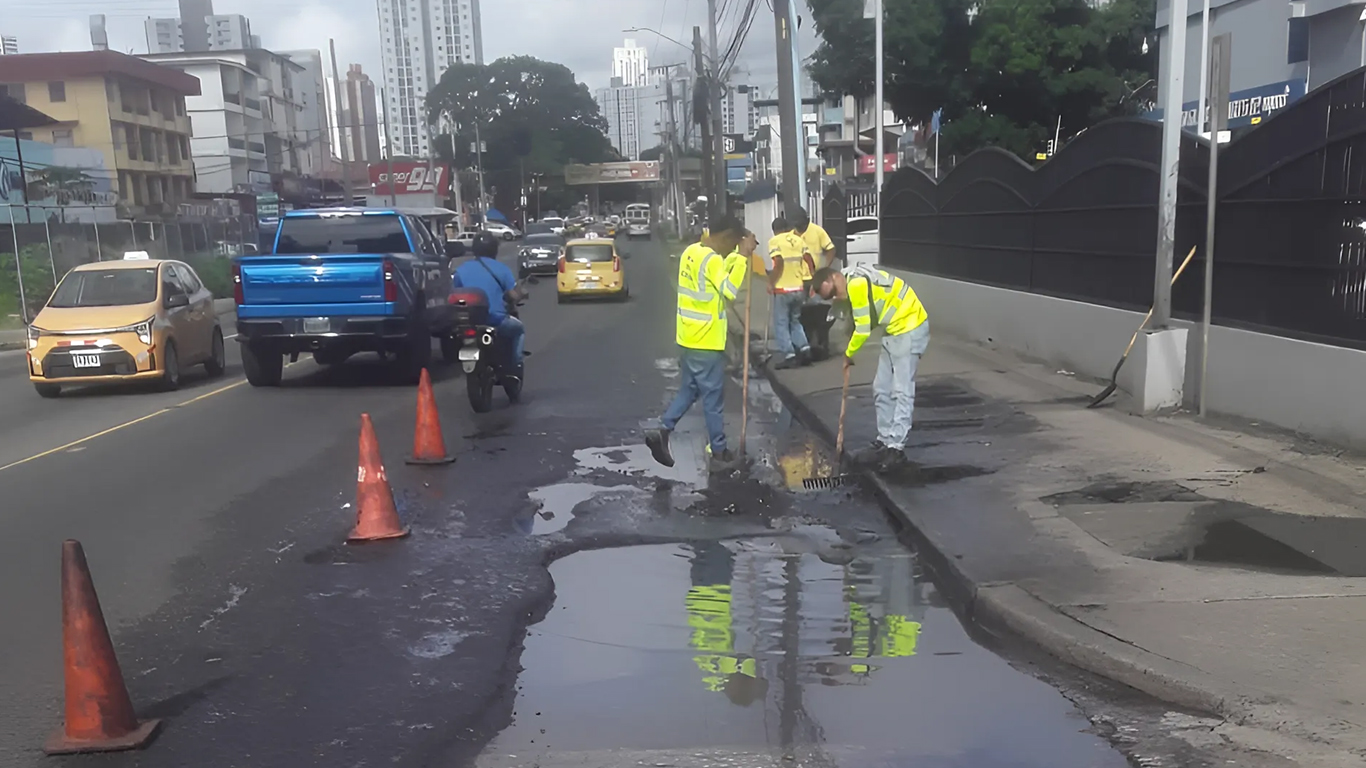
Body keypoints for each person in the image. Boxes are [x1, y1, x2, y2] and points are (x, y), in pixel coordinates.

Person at [645, 215, 751, 473]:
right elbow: (729, 290)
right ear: (725, 237)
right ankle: (720, 452)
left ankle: (663, 430)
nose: (731, 250)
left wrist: (735, 254)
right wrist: (742, 258)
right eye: (732, 244)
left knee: (690, 390)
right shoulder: (713, 259)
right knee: (713, 398)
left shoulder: (691, 251)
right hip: (707, 340)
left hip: (687, 337)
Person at [810, 264, 930, 469]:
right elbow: (855, 318)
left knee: (901, 391)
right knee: (881, 388)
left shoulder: (856, 284)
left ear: (833, 278)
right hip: (893, 330)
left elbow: (863, 328)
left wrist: (849, 353)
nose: (835, 298)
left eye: (833, 293)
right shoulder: (846, 282)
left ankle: (896, 448)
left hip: (910, 326)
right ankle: (884, 441)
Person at [451, 231, 526, 375]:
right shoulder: (502, 269)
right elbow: (514, 295)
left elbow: (454, 294)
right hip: (496, 320)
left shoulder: (461, 270)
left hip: (469, 322)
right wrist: (522, 295)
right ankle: (515, 366)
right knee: (519, 330)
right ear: (494, 249)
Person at [766, 216, 816, 369]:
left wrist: (771, 282)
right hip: (798, 288)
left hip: (783, 289)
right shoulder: (798, 240)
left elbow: (779, 263)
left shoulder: (774, 242)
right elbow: (809, 260)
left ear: (775, 230)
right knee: (795, 321)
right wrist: (813, 280)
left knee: (781, 323)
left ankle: (789, 355)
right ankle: (805, 349)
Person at [792, 209, 839, 359]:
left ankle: (821, 345)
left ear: (806, 220)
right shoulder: (791, 235)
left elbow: (831, 249)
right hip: (797, 280)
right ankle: (804, 346)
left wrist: (825, 267)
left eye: (800, 222)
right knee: (801, 315)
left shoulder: (817, 231)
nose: (798, 226)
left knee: (819, 314)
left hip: (815, 279)